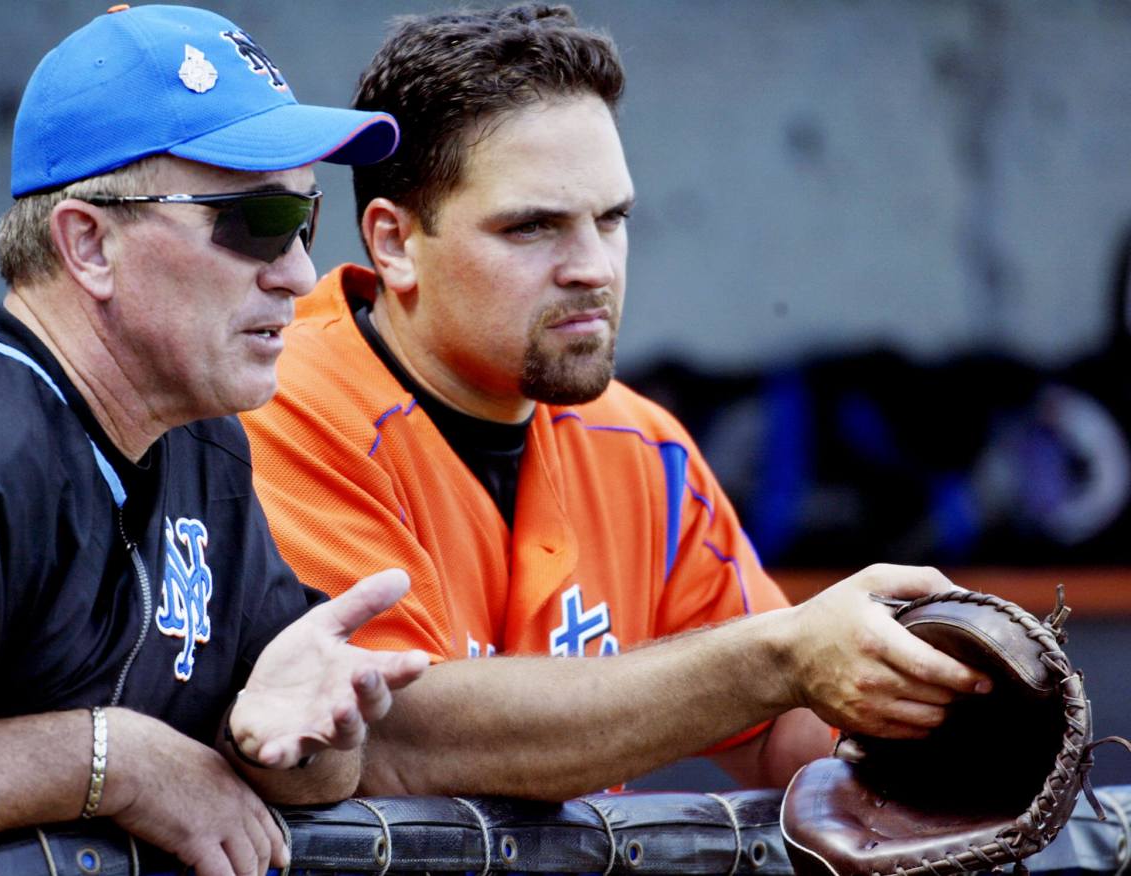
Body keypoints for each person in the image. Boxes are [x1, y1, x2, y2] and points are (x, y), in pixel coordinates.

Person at [241, 3, 991, 800]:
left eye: (613, 218)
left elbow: (780, 727)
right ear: (394, 242)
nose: (593, 266)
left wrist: (934, 716)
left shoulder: (639, 444)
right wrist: (783, 657)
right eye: (533, 227)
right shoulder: (280, 409)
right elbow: (404, 737)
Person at [0, 6, 429, 875]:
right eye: (257, 220)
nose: (300, 273)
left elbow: (301, 770)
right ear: (89, 244)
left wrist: (305, 743)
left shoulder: (207, 447)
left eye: (304, 220)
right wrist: (105, 762)